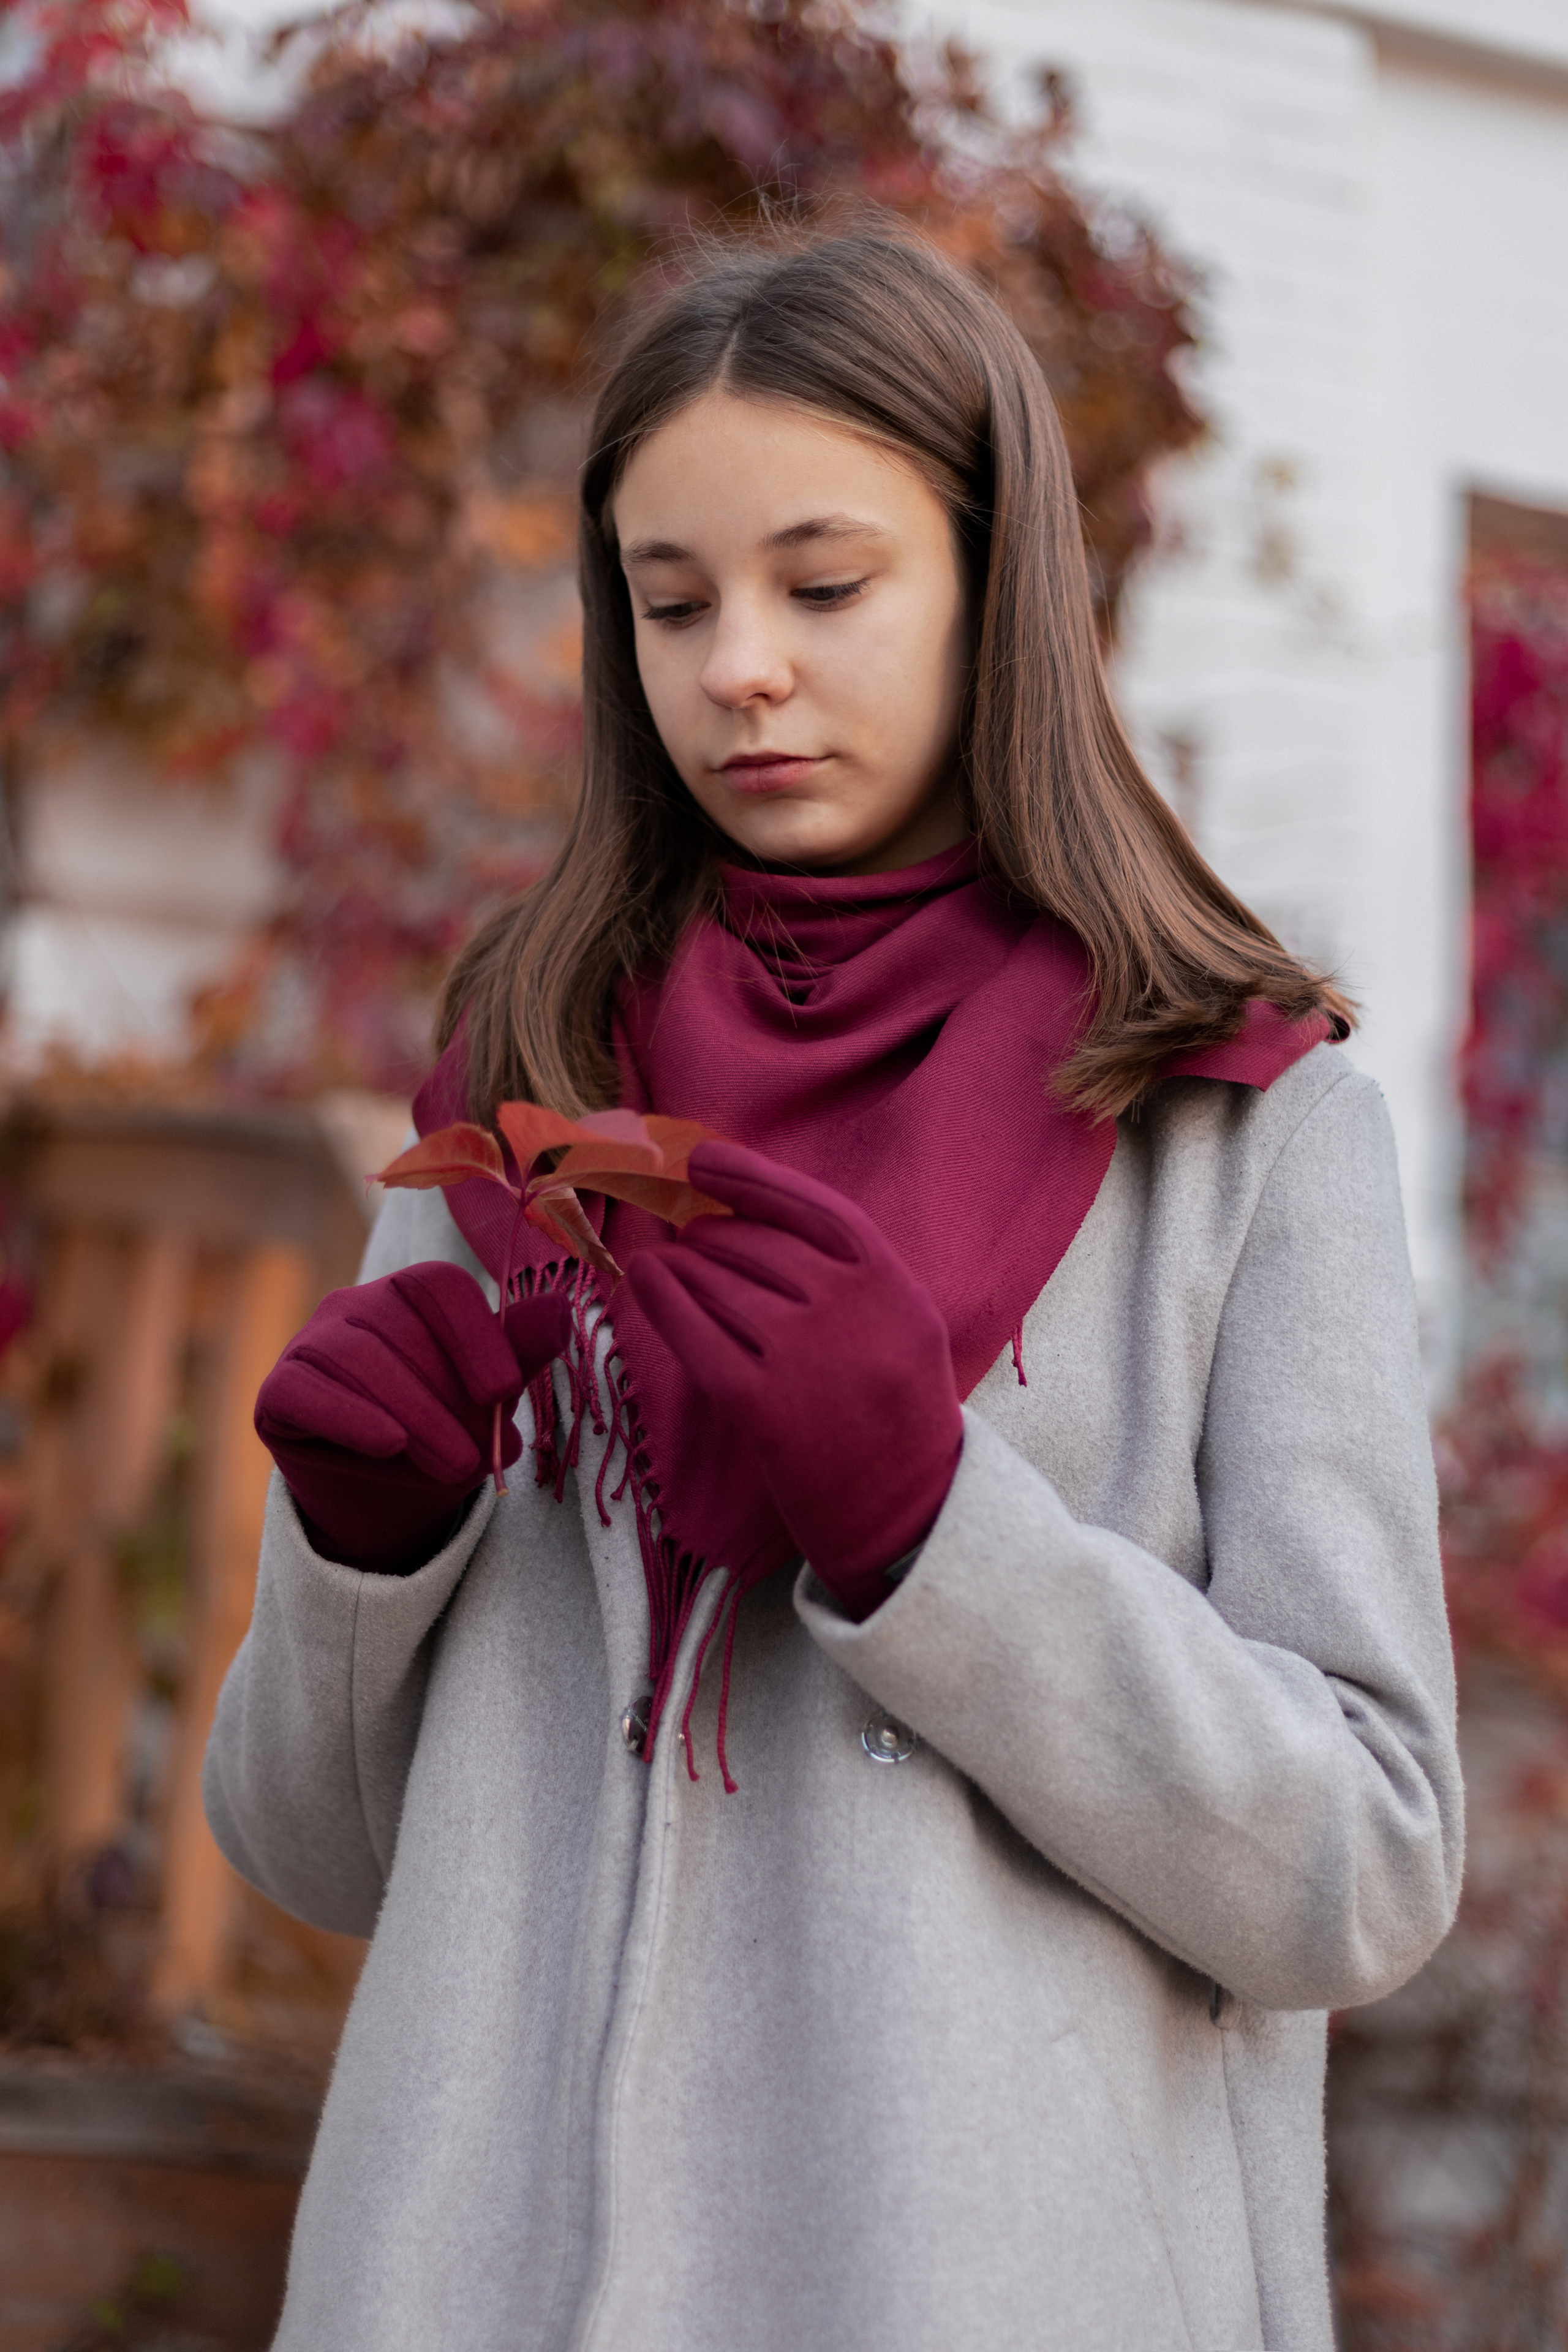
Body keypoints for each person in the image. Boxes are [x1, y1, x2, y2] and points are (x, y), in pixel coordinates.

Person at [206, 224, 1462, 2352]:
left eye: (825, 584)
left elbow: (1362, 1866)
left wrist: (936, 1535)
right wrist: (360, 1557)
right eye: (671, 603)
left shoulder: (1238, 1117)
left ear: (996, 582)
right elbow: (315, 1854)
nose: (741, 669)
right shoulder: (526, 1086)